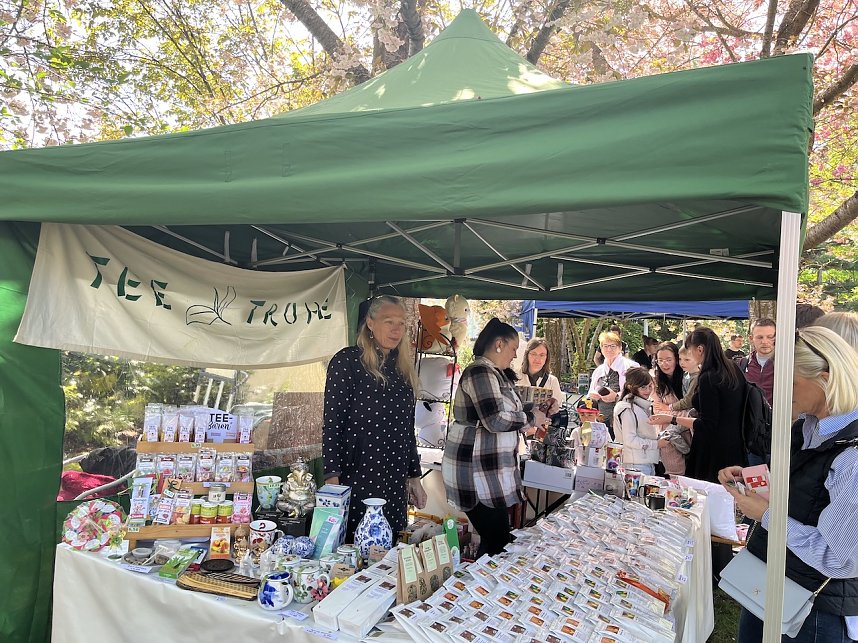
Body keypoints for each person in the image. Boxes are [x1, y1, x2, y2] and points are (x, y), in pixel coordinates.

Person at [719, 326, 858, 643]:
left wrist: (766, 514)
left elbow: (839, 558)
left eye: (790, 382)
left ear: (825, 378)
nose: (779, 391)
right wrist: (754, 481)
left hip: (815, 608)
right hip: (777, 582)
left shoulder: (852, 456)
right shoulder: (809, 427)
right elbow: (806, 494)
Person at [442, 318, 553, 556]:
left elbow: (508, 410)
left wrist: (537, 410)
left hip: (488, 472)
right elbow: (494, 419)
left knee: (495, 541)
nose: (514, 356)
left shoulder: (495, 373)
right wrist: (531, 418)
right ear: (499, 344)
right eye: (514, 349)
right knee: (498, 542)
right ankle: (478, 589)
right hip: (476, 474)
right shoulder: (480, 372)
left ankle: (480, 588)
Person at [322, 295, 428, 540]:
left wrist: (415, 477)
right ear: (370, 323)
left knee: (388, 552)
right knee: (354, 551)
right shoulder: (346, 362)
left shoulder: (402, 369)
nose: (396, 329)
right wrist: (333, 482)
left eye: (401, 323)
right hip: (356, 476)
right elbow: (332, 425)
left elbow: (406, 429)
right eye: (389, 321)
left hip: (393, 479)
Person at [651, 327, 746, 483]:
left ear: (700, 349)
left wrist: (671, 419)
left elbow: (707, 424)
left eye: (690, 350)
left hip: (712, 451)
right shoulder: (733, 368)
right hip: (735, 444)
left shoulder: (708, 377)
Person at [649, 342, 692, 476]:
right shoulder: (655, 382)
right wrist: (673, 412)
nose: (664, 364)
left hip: (689, 432)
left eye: (668, 360)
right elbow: (658, 411)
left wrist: (668, 409)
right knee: (674, 475)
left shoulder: (688, 378)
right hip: (667, 436)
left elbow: (692, 409)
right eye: (660, 360)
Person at [613, 367, 664, 476]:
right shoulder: (627, 408)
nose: (648, 390)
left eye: (650, 386)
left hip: (646, 462)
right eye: (643, 387)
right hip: (634, 464)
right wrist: (656, 444)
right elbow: (629, 439)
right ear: (630, 386)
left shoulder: (642, 406)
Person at [588, 330, 639, 439]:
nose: (609, 349)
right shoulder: (599, 371)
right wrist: (593, 396)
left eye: (613, 346)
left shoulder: (632, 367)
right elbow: (590, 395)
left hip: (625, 419)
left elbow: (639, 394)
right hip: (602, 420)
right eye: (605, 346)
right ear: (601, 349)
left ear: (620, 348)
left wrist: (616, 396)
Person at [741, 318, 776, 406]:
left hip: (780, 418)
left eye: (770, 337)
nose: (765, 342)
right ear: (751, 338)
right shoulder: (742, 364)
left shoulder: (788, 365)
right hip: (750, 418)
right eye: (760, 337)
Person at [520, 338, 563, 403]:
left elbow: (557, 407)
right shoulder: (516, 377)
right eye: (534, 354)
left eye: (542, 355)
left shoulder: (552, 381)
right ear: (527, 355)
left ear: (546, 357)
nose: (537, 359)